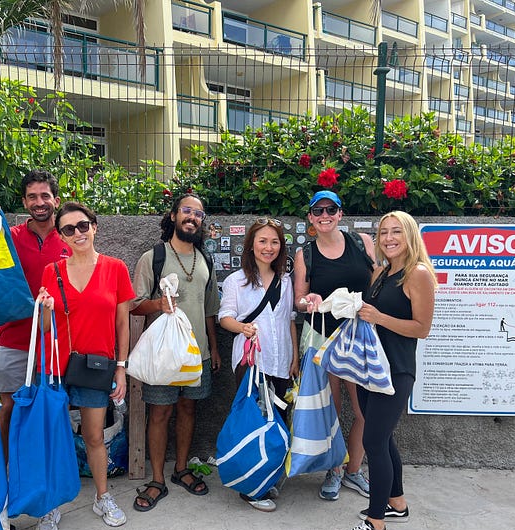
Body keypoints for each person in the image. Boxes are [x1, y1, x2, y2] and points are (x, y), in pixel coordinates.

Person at [0, 169, 70, 530]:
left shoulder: (71, 236)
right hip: (13, 340)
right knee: (7, 412)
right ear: (24, 202)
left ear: (55, 199)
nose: (39, 202)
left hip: (56, 344)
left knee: (46, 416)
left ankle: (48, 498)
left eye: (45, 196)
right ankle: (7, 487)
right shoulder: (7, 235)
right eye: (32, 197)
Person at [336, 210, 436, 530]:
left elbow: (422, 328)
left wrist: (379, 316)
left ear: (410, 236)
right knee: (384, 438)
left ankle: (375, 524)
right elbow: (371, 314)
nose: (389, 238)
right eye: (384, 232)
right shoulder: (384, 272)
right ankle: (396, 503)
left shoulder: (417, 274)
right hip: (371, 369)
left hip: (396, 371)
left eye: (397, 231)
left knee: (374, 443)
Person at [38, 202, 134, 527]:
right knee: (55, 436)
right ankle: (52, 505)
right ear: (61, 237)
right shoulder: (52, 272)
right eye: (69, 229)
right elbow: (45, 328)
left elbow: (123, 323)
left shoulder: (116, 268)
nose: (77, 233)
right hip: (58, 367)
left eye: (82, 226)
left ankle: (102, 497)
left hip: (97, 366)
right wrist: (45, 308)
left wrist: (120, 366)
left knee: (94, 436)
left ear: (94, 227)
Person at [130, 192, 221, 512]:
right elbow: (134, 305)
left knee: (188, 411)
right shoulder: (152, 257)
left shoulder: (205, 259)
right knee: (160, 413)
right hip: (164, 356)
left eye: (198, 214)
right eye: (186, 210)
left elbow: (209, 308)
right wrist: (157, 304)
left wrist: (213, 346)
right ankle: (157, 479)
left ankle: (181, 469)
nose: (192, 217)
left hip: (198, 355)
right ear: (172, 216)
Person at [294, 190, 375, 502]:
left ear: (341, 214)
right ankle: (335, 469)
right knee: (329, 410)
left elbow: (377, 281)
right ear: (311, 218)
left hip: (359, 337)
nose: (324, 215)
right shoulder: (306, 255)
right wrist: (308, 300)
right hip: (322, 338)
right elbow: (299, 301)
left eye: (331, 209)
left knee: (363, 409)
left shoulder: (362, 243)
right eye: (318, 211)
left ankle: (354, 469)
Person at [219, 217, 299, 512]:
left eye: (275, 242)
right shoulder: (235, 281)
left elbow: (289, 320)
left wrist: (295, 358)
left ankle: (264, 479)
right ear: (251, 245)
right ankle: (250, 491)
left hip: (280, 362)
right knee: (255, 424)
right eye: (263, 241)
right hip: (252, 362)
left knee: (276, 421)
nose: (269, 247)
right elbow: (224, 317)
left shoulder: (287, 281)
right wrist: (243, 328)